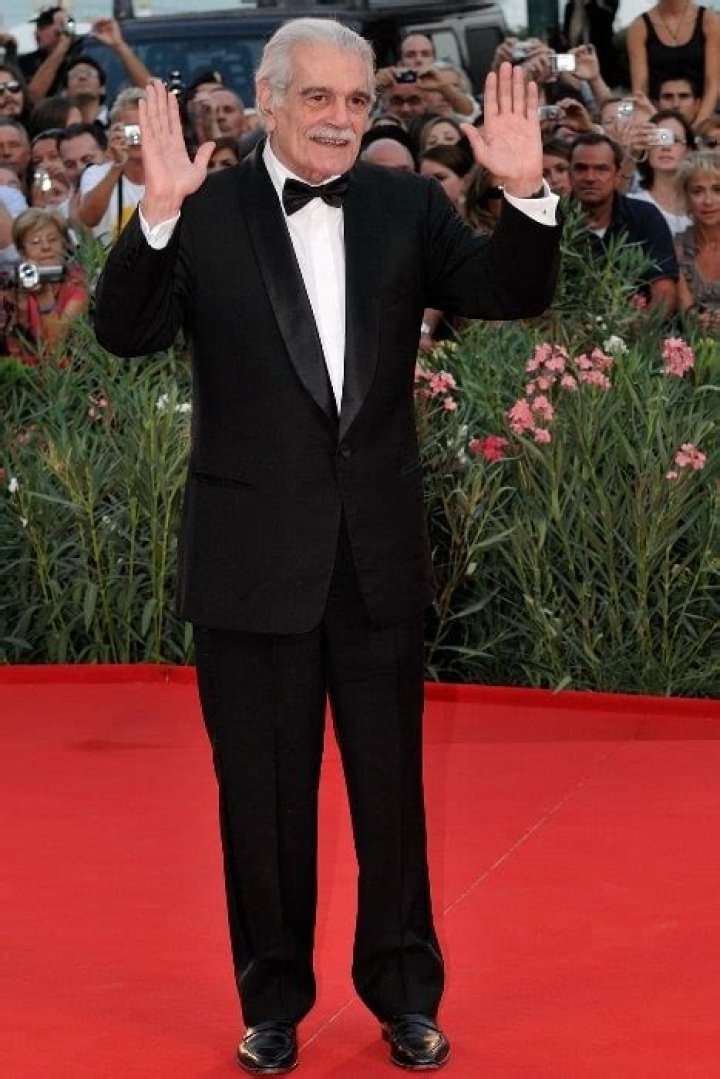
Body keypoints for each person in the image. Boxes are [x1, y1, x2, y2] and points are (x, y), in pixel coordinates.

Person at [93, 17, 561, 1075]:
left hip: (376, 556)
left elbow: (509, 291)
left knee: (391, 796)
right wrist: (155, 215)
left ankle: (406, 994)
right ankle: (272, 1001)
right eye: (318, 97)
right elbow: (124, 331)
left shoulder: (404, 204)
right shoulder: (205, 211)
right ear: (268, 101)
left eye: (357, 100)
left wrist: (527, 193)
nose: (342, 119)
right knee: (261, 802)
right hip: (251, 558)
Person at [568, 131, 678, 311]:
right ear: (569, 174)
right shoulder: (550, 221)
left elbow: (664, 290)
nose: (590, 178)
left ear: (618, 176)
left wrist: (641, 326)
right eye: (581, 168)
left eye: (601, 169)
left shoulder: (645, 216)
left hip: (636, 323)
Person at [4, 206, 87, 363]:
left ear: (64, 244)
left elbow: (56, 349)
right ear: (22, 252)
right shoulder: (12, 285)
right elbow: (12, 350)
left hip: (68, 371)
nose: (46, 247)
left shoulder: (77, 284)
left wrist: (44, 298)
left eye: (53, 239)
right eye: (35, 242)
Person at [626, 3, 719, 128]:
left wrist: (698, 124)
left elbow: (713, 82)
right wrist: (654, 123)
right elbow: (640, 88)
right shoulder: (639, 26)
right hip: (658, 112)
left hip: (703, 113)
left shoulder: (709, 21)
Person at [78, 88, 145, 243]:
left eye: (144, 127)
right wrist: (117, 166)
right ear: (113, 133)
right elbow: (89, 219)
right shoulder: (96, 174)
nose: (136, 136)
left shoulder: (172, 175)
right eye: (130, 129)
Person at [629, 109, 694, 234]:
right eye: (658, 139)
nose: (666, 147)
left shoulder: (705, 203)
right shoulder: (633, 204)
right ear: (646, 148)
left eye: (674, 140)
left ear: (688, 151)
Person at [674, 150, 720, 326]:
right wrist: (698, 320)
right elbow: (687, 313)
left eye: (717, 190)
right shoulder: (677, 248)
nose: (708, 201)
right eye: (697, 191)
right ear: (686, 196)